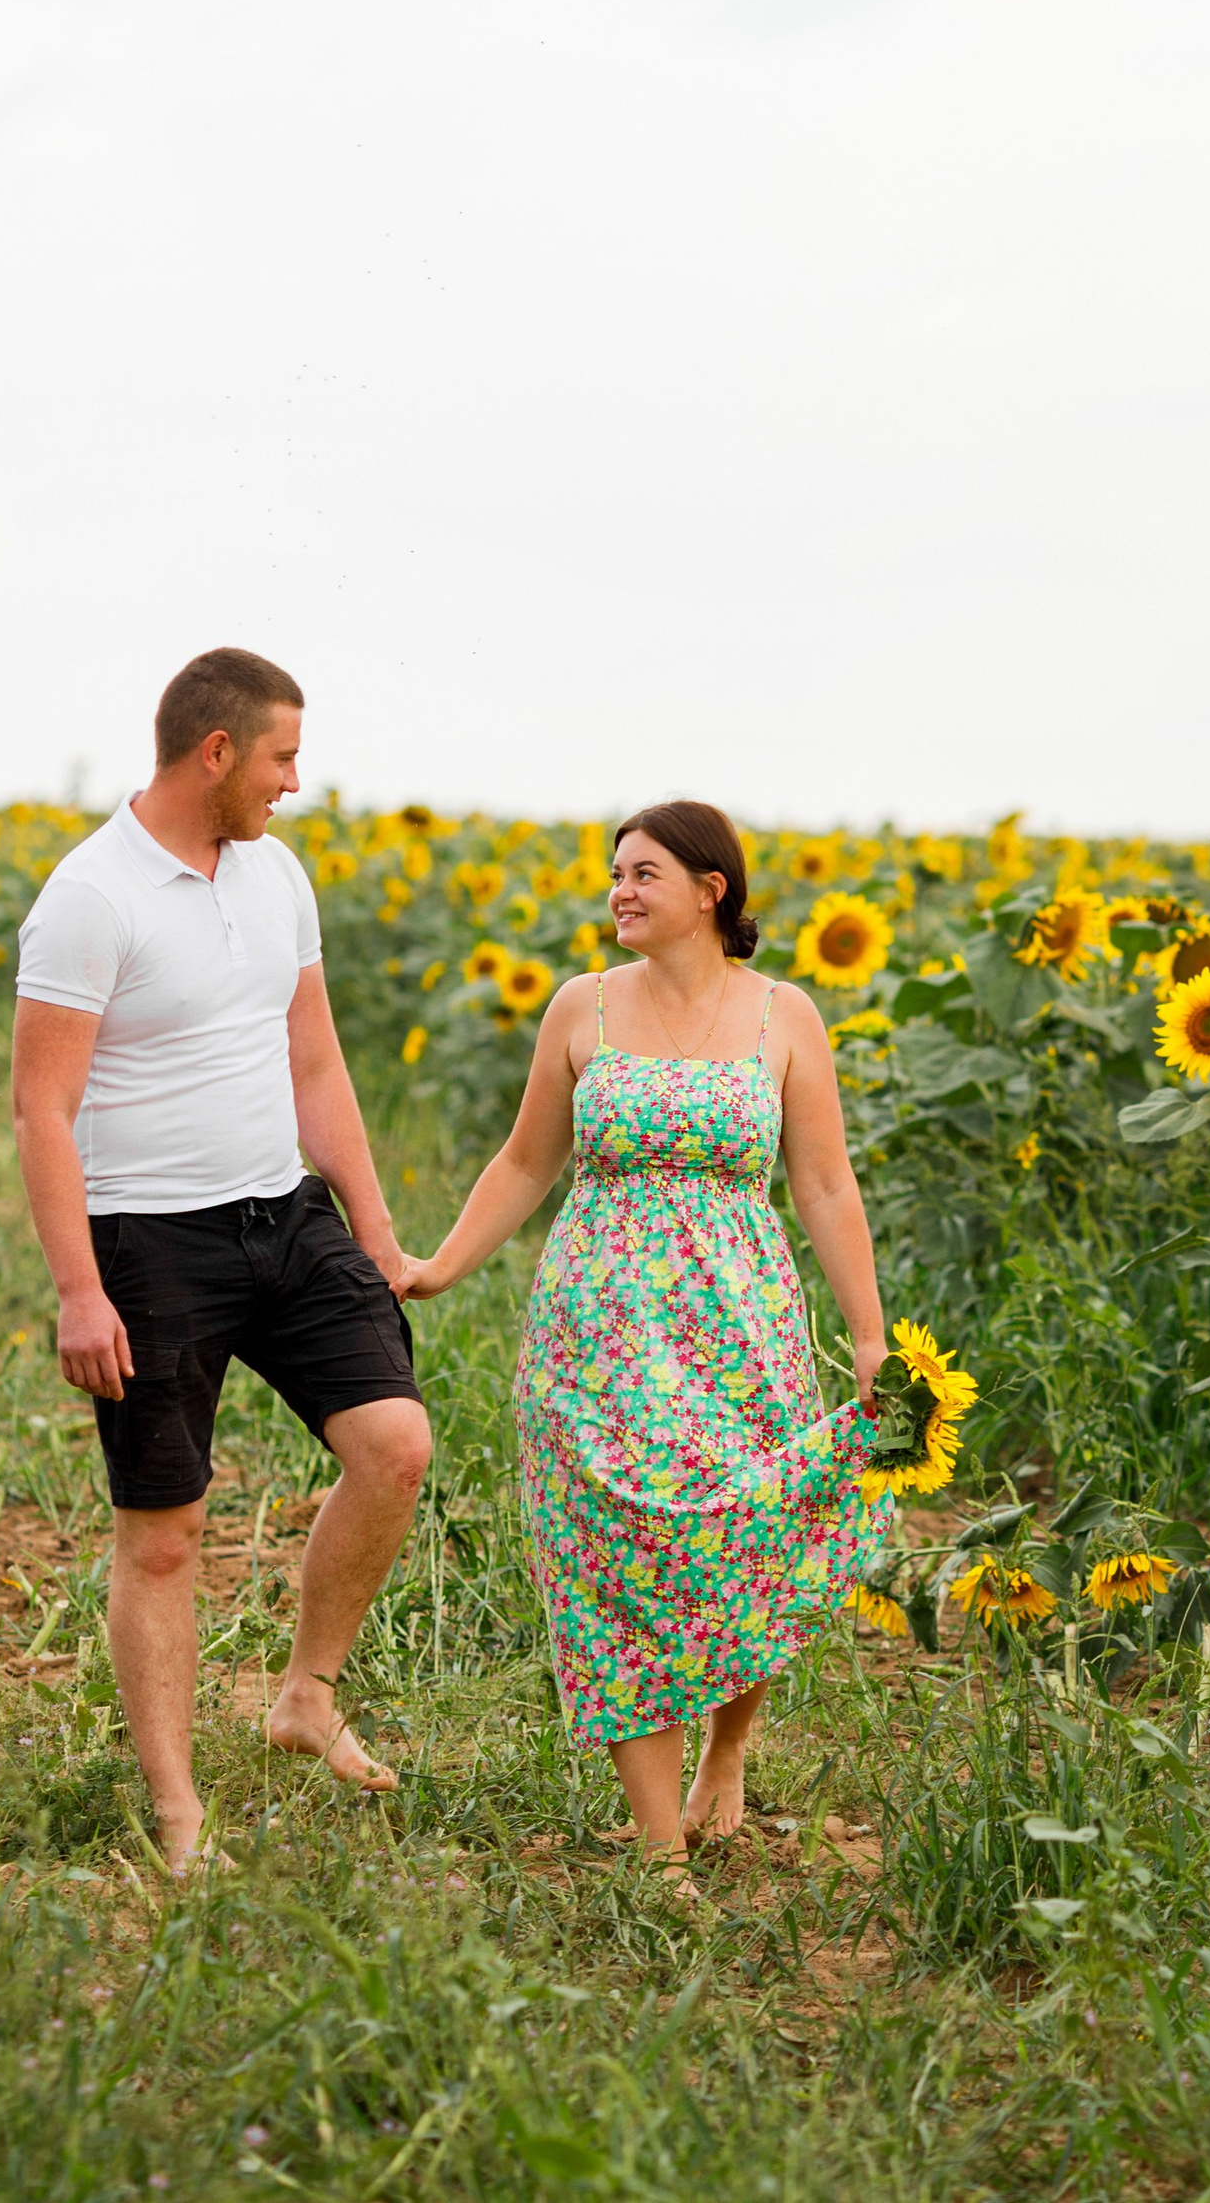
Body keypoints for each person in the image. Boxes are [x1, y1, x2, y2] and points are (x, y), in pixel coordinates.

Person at [399, 801, 883, 1879]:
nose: (620, 890)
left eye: (644, 872)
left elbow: (823, 1181)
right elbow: (525, 1162)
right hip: (597, 1327)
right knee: (613, 1554)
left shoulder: (784, 1016)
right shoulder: (583, 1009)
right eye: (615, 873)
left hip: (740, 1321)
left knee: (748, 1529)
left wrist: (866, 1332)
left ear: (712, 889)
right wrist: (441, 1263)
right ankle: (659, 1851)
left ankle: (727, 1759)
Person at [11, 647, 433, 1877]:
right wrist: (80, 1289)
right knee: (165, 1531)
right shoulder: (92, 897)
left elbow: (314, 1060)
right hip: (149, 1240)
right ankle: (180, 1810)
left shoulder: (277, 873)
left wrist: (371, 1222)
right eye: (282, 757)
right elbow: (43, 1109)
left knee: (394, 1446)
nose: (294, 782)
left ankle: (306, 1693)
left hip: (283, 1221)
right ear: (216, 754)